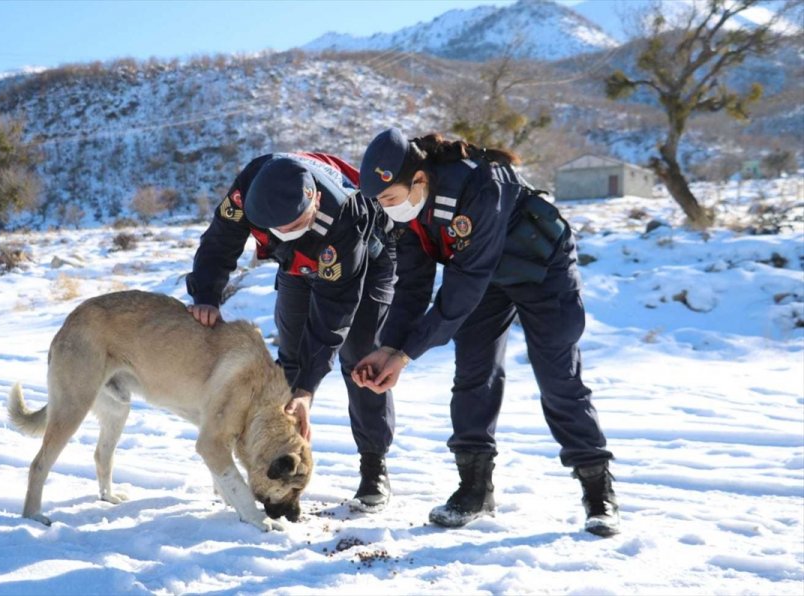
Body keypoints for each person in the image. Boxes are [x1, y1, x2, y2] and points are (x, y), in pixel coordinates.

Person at [352, 128, 619, 536]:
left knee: (557, 376)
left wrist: (405, 356)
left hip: (542, 269)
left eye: (390, 199)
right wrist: (388, 346)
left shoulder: (480, 184)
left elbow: (463, 287)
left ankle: (598, 492)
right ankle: (474, 490)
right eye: (381, 203)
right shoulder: (407, 213)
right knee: (475, 373)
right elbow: (413, 286)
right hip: (486, 280)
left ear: (419, 180)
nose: (388, 210)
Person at [186, 152, 396, 511]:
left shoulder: (344, 213)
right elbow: (220, 240)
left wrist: (307, 390)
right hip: (296, 264)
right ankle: (280, 455)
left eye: (296, 222)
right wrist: (206, 295)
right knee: (290, 360)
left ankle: (373, 464)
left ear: (313, 197)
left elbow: (334, 313)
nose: (288, 231)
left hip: (364, 260)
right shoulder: (249, 192)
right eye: (279, 228)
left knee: (360, 360)